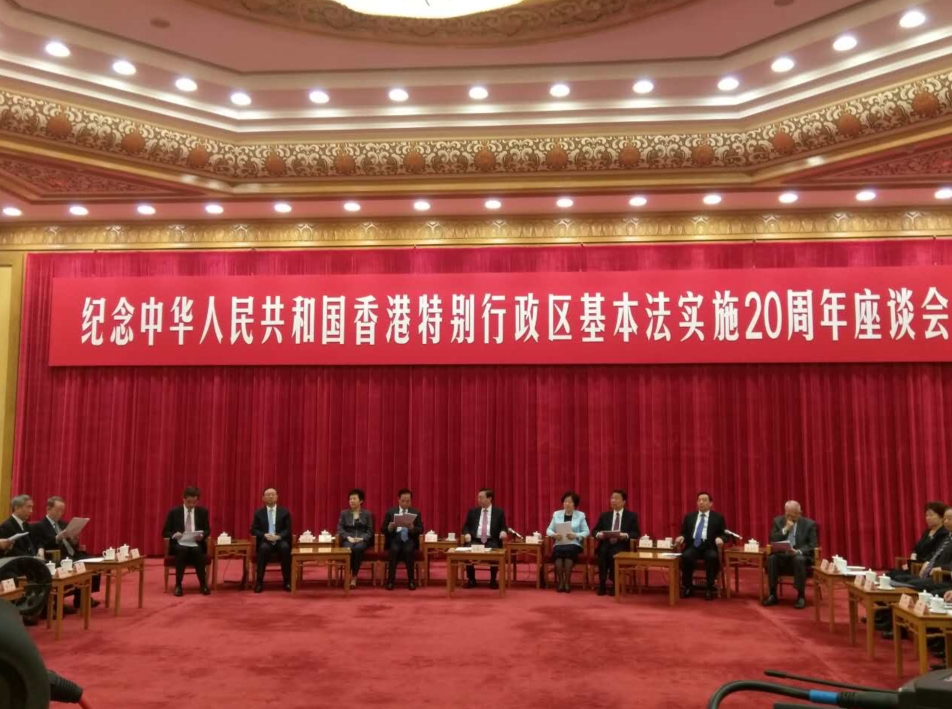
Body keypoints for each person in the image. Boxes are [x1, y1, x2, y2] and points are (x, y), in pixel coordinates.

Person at [31, 496, 102, 607]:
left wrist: (75, 541)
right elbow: (41, 545)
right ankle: (71, 598)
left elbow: (72, 544)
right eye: (58, 510)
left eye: (62, 511)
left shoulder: (64, 524)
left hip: (72, 553)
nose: (60, 513)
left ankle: (83, 596)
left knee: (94, 562)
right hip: (57, 555)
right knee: (76, 564)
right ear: (48, 509)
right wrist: (56, 539)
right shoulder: (40, 526)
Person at [762, 501, 818, 610]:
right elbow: (772, 539)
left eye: (793, 516)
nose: (790, 518)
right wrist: (785, 529)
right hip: (783, 555)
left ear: (799, 513)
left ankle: (801, 596)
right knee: (771, 558)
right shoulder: (778, 521)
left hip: (799, 556)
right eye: (787, 515)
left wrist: (798, 551)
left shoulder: (809, 524)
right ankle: (772, 594)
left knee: (799, 559)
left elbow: (813, 545)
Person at [675, 491, 727, 600]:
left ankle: (709, 588)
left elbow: (725, 534)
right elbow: (684, 533)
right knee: (686, 556)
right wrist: (681, 537)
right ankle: (688, 586)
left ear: (711, 503)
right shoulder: (689, 517)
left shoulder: (718, 517)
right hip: (693, 545)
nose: (701, 502)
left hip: (709, 546)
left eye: (704, 500)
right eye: (699, 500)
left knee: (712, 557)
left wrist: (721, 538)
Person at [161, 487, 211, 597]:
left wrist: (202, 535)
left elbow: (207, 530)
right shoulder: (174, 512)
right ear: (183, 499)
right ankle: (178, 585)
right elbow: (165, 532)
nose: (192, 505)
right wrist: (174, 535)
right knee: (182, 550)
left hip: (196, 543)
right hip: (179, 544)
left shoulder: (202, 512)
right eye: (189, 502)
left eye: (195, 502)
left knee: (197, 551)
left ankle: (203, 584)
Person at [590, 490, 639, 596]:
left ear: (624, 502)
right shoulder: (605, 515)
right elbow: (594, 531)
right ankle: (602, 584)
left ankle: (614, 585)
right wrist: (598, 534)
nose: (613, 500)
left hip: (621, 544)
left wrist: (625, 535)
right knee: (603, 552)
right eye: (612, 498)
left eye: (616, 498)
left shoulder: (631, 516)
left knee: (614, 554)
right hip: (606, 543)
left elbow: (636, 533)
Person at [461, 488, 507, 589]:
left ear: (489, 499)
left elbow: (503, 527)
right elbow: (466, 526)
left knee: (495, 553)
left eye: (481, 497)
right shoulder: (473, 511)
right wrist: (467, 533)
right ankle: (471, 579)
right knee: (467, 553)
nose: (478, 500)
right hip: (475, 540)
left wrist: (503, 532)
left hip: (491, 540)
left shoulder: (498, 512)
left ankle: (493, 580)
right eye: (478, 497)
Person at [545, 491, 589, 593]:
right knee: (558, 552)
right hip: (559, 542)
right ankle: (561, 582)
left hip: (574, 543)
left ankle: (567, 582)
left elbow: (586, 531)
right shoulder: (556, 514)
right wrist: (554, 535)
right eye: (565, 502)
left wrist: (576, 535)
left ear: (575, 504)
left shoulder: (580, 515)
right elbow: (548, 530)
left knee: (569, 550)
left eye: (570, 502)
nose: (567, 504)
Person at [251, 487, 292, 593]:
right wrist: (264, 535)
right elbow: (253, 530)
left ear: (277, 497)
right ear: (263, 498)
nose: (270, 496)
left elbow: (288, 529)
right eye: (268, 494)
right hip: (266, 540)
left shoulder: (284, 512)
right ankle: (259, 582)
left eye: (273, 494)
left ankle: (287, 581)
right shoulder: (259, 513)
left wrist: (279, 536)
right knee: (263, 549)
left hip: (279, 540)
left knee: (285, 548)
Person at [381, 488, 423, 591]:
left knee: (409, 550)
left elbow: (421, 529)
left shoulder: (415, 512)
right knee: (394, 550)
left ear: (411, 501)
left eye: (408, 501)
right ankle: (390, 581)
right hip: (395, 538)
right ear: (398, 500)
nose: (405, 504)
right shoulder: (391, 512)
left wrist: (412, 528)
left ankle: (411, 581)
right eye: (403, 501)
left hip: (409, 538)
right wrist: (389, 527)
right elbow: (383, 529)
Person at [337, 488, 374, 589]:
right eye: (350, 499)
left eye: (354, 499)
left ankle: (354, 576)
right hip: (348, 538)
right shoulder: (344, 513)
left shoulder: (367, 514)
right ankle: (348, 574)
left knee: (358, 548)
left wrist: (361, 539)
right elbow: (340, 528)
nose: (351, 501)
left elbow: (370, 531)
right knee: (349, 549)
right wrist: (348, 537)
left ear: (361, 501)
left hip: (362, 540)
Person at [907, 501, 949, 568]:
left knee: (897, 574)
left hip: (928, 567)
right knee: (893, 572)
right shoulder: (927, 532)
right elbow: (917, 548)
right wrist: (913, 555)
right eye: (926, 515)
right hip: (916, 565)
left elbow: (935, 554)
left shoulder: (944, 533)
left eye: (931, 515)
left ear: (941, 517)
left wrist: (916, 564)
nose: (927, 518)